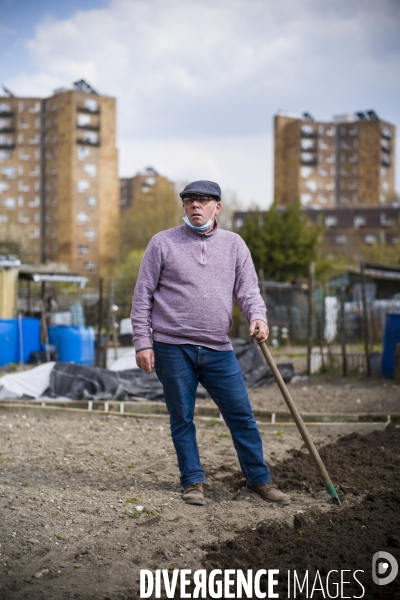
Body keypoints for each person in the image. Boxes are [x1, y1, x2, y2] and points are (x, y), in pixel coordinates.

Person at [131, 180, 290, 507]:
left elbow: (249, 291)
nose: (195, 206)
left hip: (218, 347)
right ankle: (193, 482)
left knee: (241, 414)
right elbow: (142, 296)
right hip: (172, 347)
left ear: (217, 207)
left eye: (203, 201)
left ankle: (259, 480)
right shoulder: (162, 243)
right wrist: (142, 343)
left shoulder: (234, 245)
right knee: (182, 416)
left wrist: (257, 317)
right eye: (189, 201)